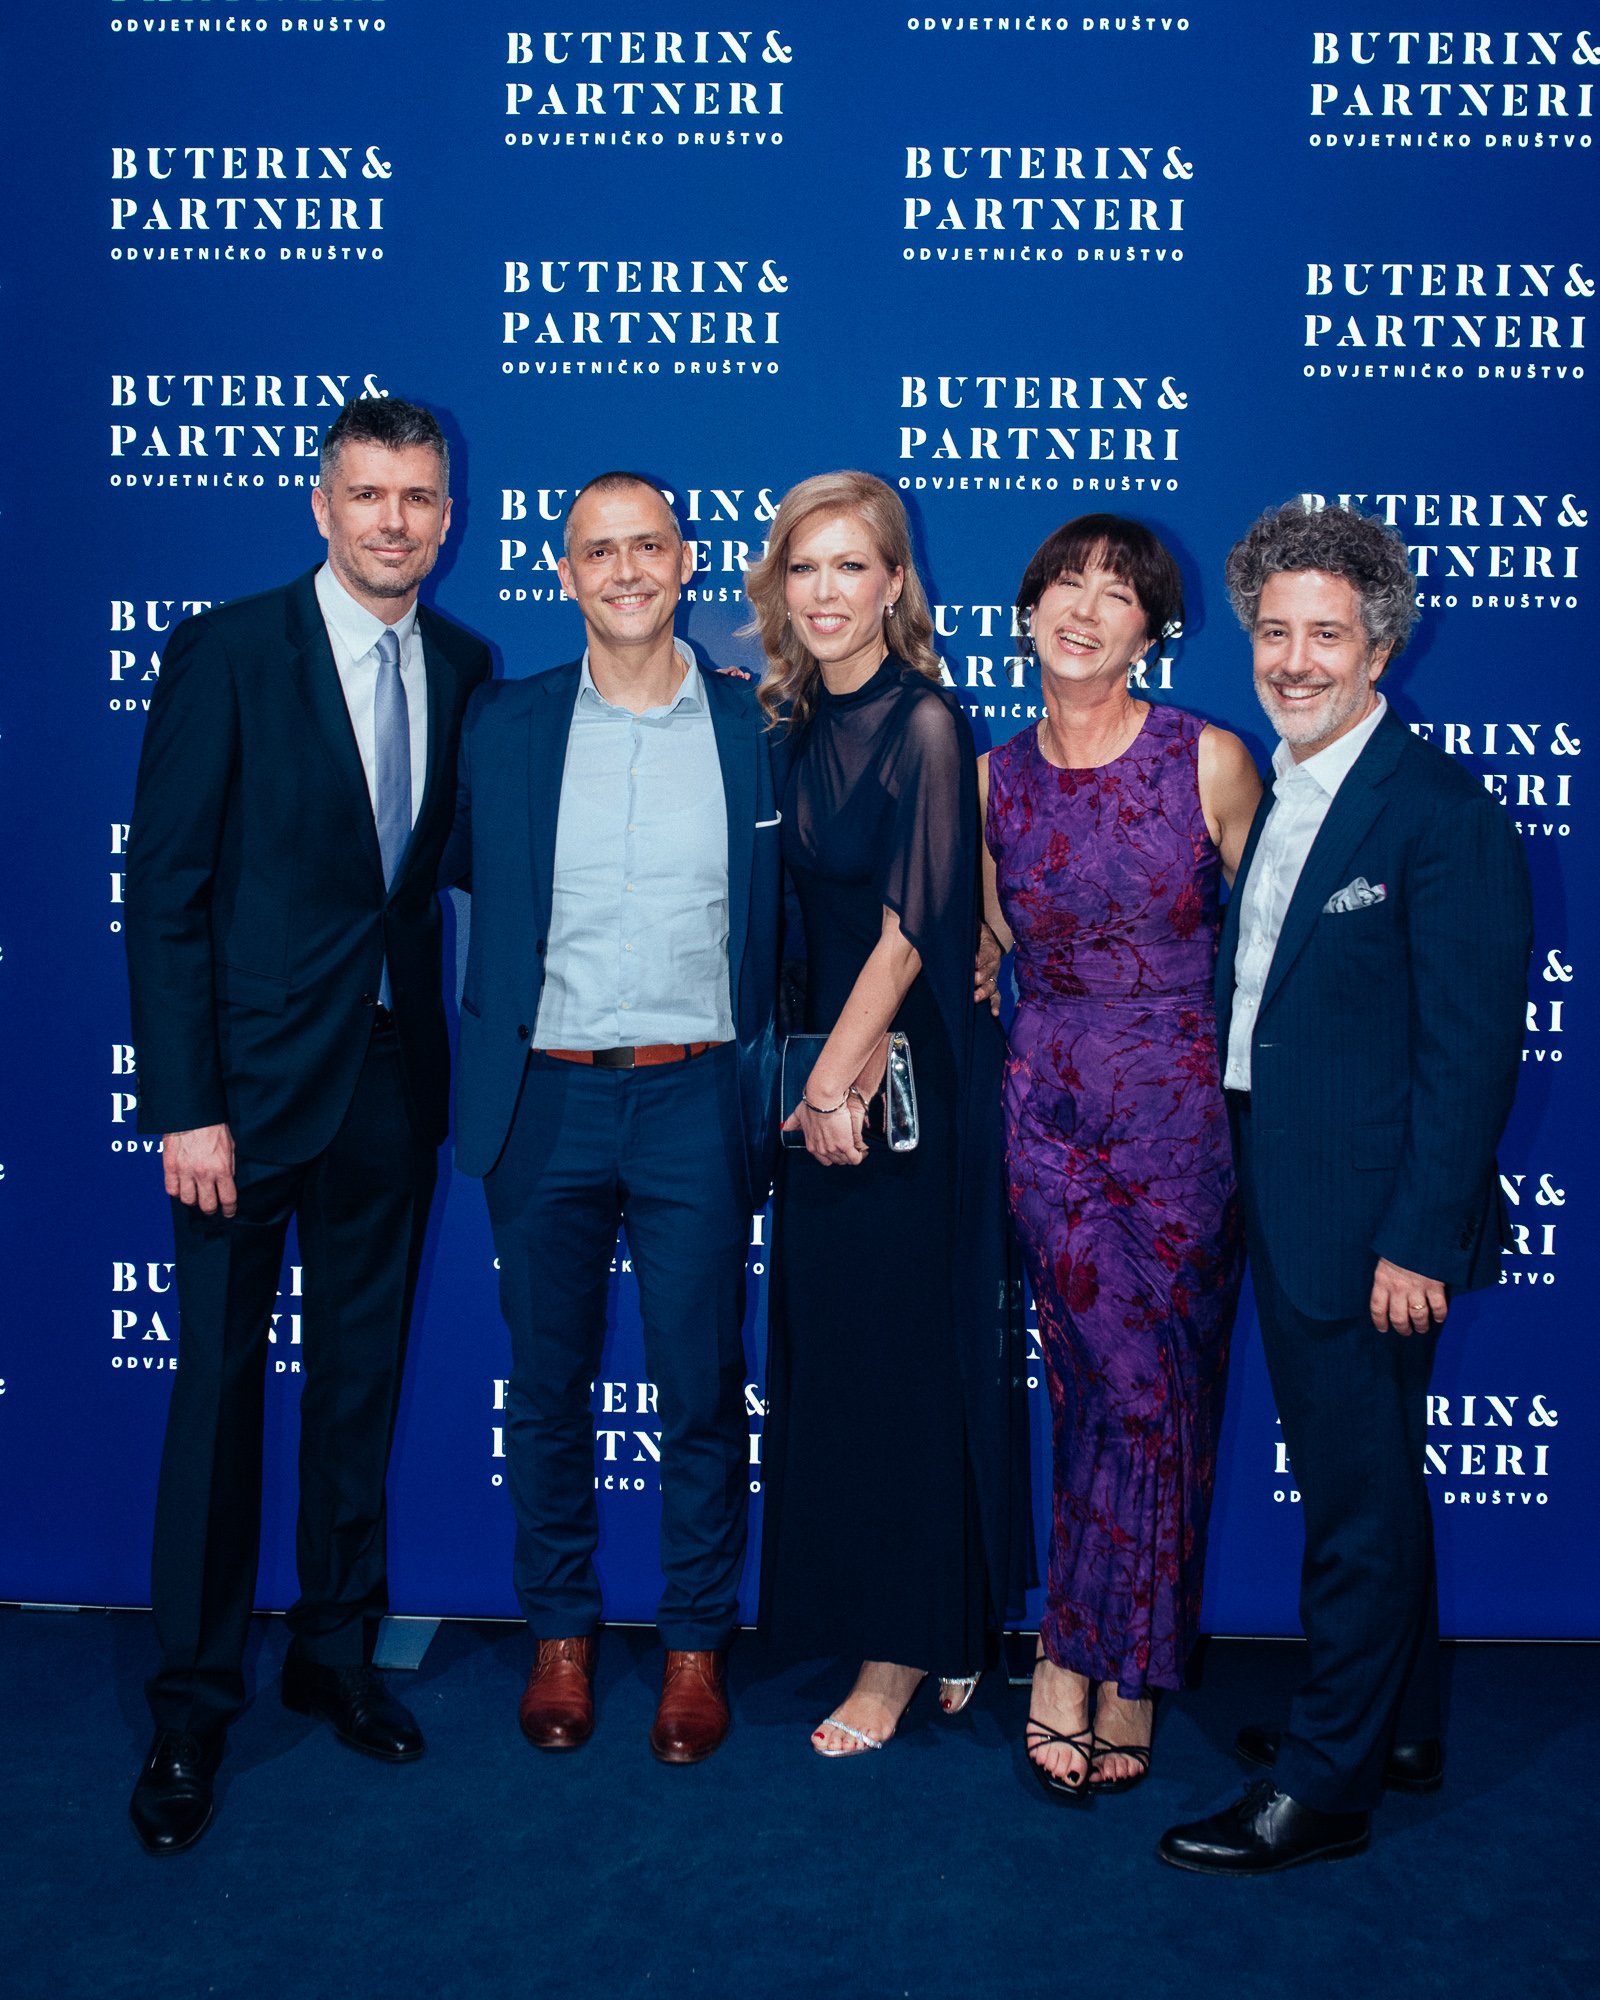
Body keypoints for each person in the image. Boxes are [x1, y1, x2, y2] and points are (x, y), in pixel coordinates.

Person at [122, 397, 492, 1855]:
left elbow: (457, 868)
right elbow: (166, 897)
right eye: (370, 495)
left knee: (358, 1385)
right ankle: (193, 1707)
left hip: (394, 1094)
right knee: (217, 1394)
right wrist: (187, 1107)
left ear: (448, 517)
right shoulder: (226, 652)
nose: (395, 520)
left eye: (419, 497)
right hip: (245, 1104)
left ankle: (336, 1656)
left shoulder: (462, 667)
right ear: (320, 506)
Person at [1159, 501, 1532, 1875]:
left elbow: (1471, 1051)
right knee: (1366, 1484)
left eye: (1328, 633)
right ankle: (1402, 1727)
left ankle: (1325, 1789)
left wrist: (1419, 1238)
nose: (1297, 658)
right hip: (1285, 1191)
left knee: (1357, 1507)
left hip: (1374, 1228)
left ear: (1383, 645)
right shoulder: (1288, 787)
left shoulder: (1436, 811)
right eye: (1275, 631)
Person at [441, 472, 781, 1765]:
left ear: (686, 561)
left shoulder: (758, 731)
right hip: (546, 1097)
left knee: (699, 1385)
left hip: (699, 1095)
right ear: (566, 572)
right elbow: (470, 877)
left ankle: (694, 1644)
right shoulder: (502, 727)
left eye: (649, 545)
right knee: (547, 1387)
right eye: (600, 550)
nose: (627, 568)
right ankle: (564, 1638)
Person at [749, 471, 1030, 1755]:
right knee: (850, 1358)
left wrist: (832, 1079)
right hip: (827, 1073)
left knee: (909, 1358)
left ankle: (901, 1651)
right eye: (804, 568)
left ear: (895, 586)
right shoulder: (791, 719)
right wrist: (809, 1076)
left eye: (851, 567)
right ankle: (953, 1615)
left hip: (902, 1081)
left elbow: (916, 929)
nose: (826, 593)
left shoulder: (924, 720)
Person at [980, 514, 1261, 1800]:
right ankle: (1073, 1659)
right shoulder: (992, 778)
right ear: (1028, 608)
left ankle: (1116, 1663)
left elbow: (1271, 962)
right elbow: (990, 952)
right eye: (1064, 586)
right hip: (1048, 1122)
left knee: (1159, 1397)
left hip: (1178, 1124)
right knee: (1090, 1387)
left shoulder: (1207, 759)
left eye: (1118, 593)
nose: (1085, 609)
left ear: (1155, 625)